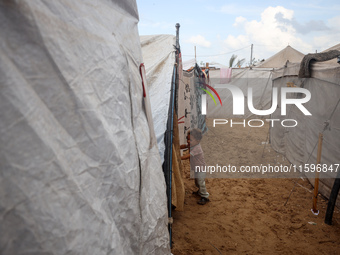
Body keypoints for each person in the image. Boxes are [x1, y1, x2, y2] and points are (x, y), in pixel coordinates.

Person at [181, 129, 210, 205]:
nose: (188, 141)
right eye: (187, 139)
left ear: (198, 141)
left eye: (190, 140)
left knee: (201, 182)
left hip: (201, 169)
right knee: (197, 181)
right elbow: (184, 146)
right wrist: (177, 147)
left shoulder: (197, 148)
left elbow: (187, 156)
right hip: (197, 168)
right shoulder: (192, 144)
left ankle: (205, 196)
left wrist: (179, 157)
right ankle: (199, 191)